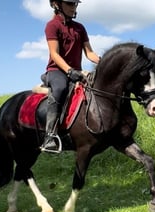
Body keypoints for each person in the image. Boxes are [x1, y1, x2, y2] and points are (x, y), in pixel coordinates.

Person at [40, 0, 101, 152]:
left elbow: (90, 53)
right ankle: (49, 136)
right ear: (56, 4)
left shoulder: (80, 28)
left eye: (75, 4)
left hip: (76, 71)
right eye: (69, 3)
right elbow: (54, 53)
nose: (74, 7)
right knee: (60, 88)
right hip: (57, 71)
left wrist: (105, 62)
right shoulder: (52, 25)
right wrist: (69, 71)